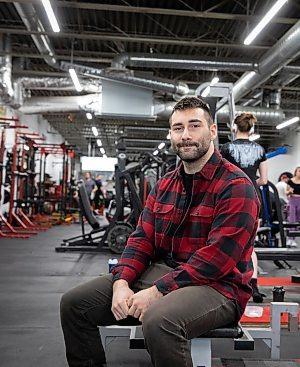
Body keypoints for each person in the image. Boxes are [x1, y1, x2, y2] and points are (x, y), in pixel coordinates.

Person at [60, 96, 260, 367]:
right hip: (166, 274)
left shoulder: (236, 185)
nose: (185, 135)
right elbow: (141, 239)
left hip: (220, 287)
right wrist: (121, 282)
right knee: (75, 304)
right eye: (178, 128)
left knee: (159, 322)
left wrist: (157, 292)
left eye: (194, 126)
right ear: (171, 134)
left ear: (212, 131)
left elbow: (216, 260)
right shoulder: (166, 184)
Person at [220, 112, 268, 303]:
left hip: (231, 198)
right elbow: (264, 180)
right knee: (250, 245)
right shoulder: (260, 150)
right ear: (252, 128)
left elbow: (221, 175)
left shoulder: (226, 148)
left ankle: (227, 285)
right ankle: (253, 286)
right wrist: (250, 182)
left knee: (227, 243)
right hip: (253, 198)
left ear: (234, 127)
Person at [286, 166, 300, 247]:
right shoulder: (290, 181)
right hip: (292, 200)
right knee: (291, 220)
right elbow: (286, 192)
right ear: (295, 172)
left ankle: (293, 239)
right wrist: (289, 192)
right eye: (299, 171)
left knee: (297, 221)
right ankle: (289, 239)